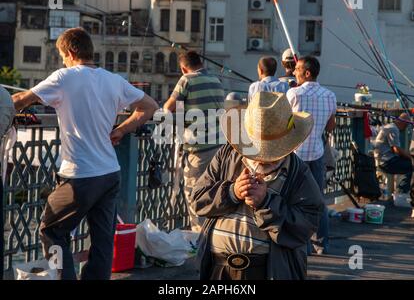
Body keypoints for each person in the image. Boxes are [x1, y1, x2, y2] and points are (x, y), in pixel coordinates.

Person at [12, 27, 159, 280]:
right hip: (110, 173)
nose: (62, 62)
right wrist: (121, 130)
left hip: (79, 176)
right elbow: (150, 106)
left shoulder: (64, 77)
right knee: (102, 240)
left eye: (62, 56)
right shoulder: (113, 79)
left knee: (52, 231)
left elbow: (21, 101)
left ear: (70, 52)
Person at [192, 92, 324, 280]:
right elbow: (198, 199)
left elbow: (307, 224)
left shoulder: (298, 173)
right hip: (219, 267)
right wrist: (232, 192)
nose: (262, 159)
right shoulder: (227, 155)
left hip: (266, 270)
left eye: (270, 155)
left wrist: (266, 203)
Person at [164, 51, 224, 232]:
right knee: (213, 192)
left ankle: (200, 239)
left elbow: (168, 107)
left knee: (195, 193)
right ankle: (215, 233)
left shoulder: (187, 80)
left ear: (184, 68)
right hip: (219, 147)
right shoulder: (216, 80)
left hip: (199, 149)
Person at [286, 56, 337, 255]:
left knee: (293, 200)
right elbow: (331, 126)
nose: (293, 72)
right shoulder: (330, 95)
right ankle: (322, 244)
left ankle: (302, 245)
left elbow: (284, 122)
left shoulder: (294, 94)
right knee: (318, 200)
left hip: (295, 155)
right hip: (316, 154)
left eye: (297, 69)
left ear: (307, 73)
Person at [376, 113, 414, 216]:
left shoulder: (388, 126)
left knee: (407, 164)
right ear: (401, 122)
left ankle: (400, 193)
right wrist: (410, 157)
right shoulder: (394, 129)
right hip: (386, 162)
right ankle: (401, 195)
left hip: (381, 160)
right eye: (406, 125)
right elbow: (396, 149)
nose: (406, 128)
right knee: (410, 166)